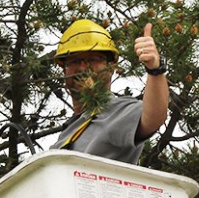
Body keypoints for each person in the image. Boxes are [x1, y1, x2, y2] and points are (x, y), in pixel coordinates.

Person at [50, 19, 168, 164]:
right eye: (73, 61)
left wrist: (155, 70)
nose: (82, 68)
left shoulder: (119, 112)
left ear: (111, 66)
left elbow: (153, 117)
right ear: (64, 70)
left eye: (93, 59)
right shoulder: (62, 139)